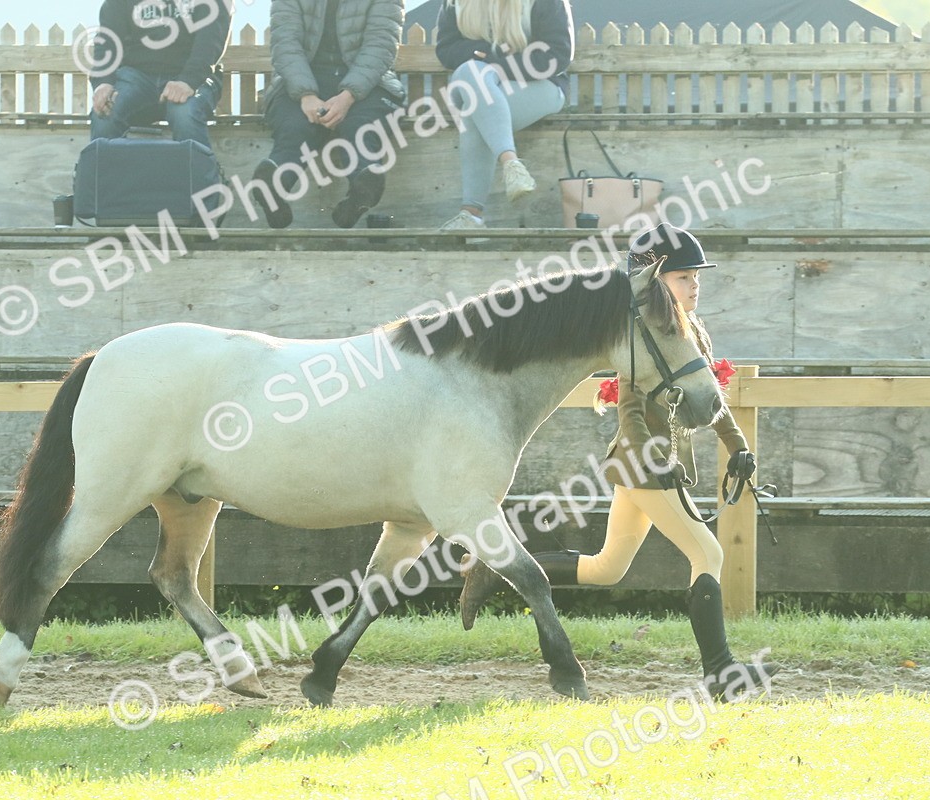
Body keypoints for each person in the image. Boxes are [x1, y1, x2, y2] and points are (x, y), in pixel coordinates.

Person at [459, 224, 779, 702]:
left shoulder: (692, 332)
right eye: (682, 277)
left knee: (608, 568)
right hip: (645, 464)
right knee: (707, 554)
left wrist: (738, 447)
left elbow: (709, 399)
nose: (694, 285)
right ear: (654, 285)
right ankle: (721, 674)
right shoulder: (643, 336)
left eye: (695, 277)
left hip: (647, 467)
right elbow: (630, 408)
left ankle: (493, 570)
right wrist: (655, 454)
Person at [252, 0, 406, 229]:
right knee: (296, 126)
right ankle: (273, 188)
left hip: (369, 84)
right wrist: (306, 94)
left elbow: (381, 45)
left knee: (360, 125)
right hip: (302, 81)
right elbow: (285, 43)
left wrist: (348, 96)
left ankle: (361, 192)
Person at [435, 0, 573, 232]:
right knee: (473, 76)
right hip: (480, 86)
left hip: (540, 86)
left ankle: (471, 216)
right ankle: (511, 164)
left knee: (476, 108)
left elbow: (557, 55)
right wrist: (484, 56)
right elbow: (446, 49)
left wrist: (493, 64)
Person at [89, 0, 232, 148]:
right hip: (135, 78)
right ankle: (101, 170)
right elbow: (107, 42)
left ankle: (198, 170)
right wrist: (103, 82)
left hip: (189, 78)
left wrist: (188, 81)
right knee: (105, 113)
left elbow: (209, 42)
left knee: (185, 114)